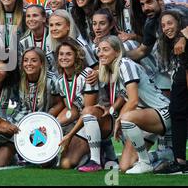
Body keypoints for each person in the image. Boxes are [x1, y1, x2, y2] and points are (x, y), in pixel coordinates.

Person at [98, 35, 171, 174]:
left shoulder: (125, 63)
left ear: (117, 51)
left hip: (161, 112)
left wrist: (119, 120)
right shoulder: (114, 68)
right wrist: (113, 109)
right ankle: (164, 155)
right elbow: (124, 95)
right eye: (99, 50)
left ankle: (145, 163)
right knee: (126, 166)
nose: (101, 53)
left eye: (106, 50)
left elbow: (133, 100)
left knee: (126, 118)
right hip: (144, 116)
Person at [0, 47, 58, 167]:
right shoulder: (18, 78)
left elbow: (59, 103)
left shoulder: (51, 80)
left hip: (41, 126)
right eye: (26, 60)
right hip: (20, 125)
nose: (29, 64)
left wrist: (48, 118)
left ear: (41, 63)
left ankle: (42, 153)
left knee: (46, 163)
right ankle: (17, 153)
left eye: (33, 60)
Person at [126, 0, 188, 93]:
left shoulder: (180, 12)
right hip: (172, 70)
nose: (146, 8)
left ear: (160, 0)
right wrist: (120, 54)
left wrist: (183, 37)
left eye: (149, 2)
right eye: (142, 4)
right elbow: (142, 51)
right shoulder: (150, 23)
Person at [47, 39, 99, 169]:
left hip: (96, 120)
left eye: (68, 54)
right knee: (65, 164)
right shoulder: (60, 80)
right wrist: (54, 124)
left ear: (77, 56)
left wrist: (70, 135)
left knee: (87, 113)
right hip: (81, 122)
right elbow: (73, 109)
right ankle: (85, 153)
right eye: (61, 54)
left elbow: (88, 110)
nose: (64, 57)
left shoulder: (87, 74)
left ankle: (99, 154)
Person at [154, 11, 188, 174]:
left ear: (179, 22)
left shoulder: (184, 35)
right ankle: (180, 161)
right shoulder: (166, 44)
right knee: (176, 113)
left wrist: (184, 37)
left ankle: (180, 161)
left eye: (170, 23)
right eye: (163, 25)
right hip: (179, 84)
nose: (166, 28)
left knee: (178, 113)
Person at [47, 10, 98, 74]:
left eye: (58, 24)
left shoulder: (81, 45)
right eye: (51, 25)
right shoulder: (49, 46)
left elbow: (96, 68)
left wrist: (96, 73)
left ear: (68, 26)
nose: (54, 28)